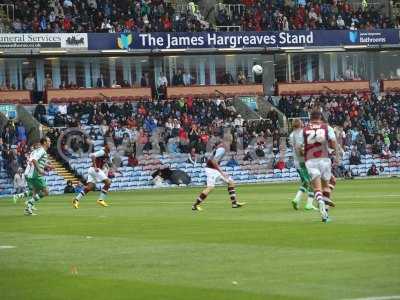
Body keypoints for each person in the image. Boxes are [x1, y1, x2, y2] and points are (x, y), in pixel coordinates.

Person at [303, 111, 337, 223]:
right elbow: (333, 143)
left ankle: (321, 206)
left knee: (317, 188)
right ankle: (325, 211)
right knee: (326, 186)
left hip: (310, 160)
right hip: (324, 159)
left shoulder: (304, 129)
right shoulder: (327, 127)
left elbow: (300, 147)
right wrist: (333, 152)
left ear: (310, 118)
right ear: (320, 117)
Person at [192, 141, 245, 211]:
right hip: (211, 170)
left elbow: (213, 161)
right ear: (220, 145)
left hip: (212, 169)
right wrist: (222, 173)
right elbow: (214, 162)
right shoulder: (221, 150)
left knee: (231, 182)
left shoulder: (218, 150)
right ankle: (195, 205)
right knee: (210, 188)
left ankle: (234, 203)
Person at [13, 138, 52, 216]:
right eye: (49, 141)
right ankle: (29, 204)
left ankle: (29, 207)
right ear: (44, 142)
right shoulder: (41, 151)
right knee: (46, 192)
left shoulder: (38, 151)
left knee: (35, 192)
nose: (50, 142)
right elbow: (34, 160)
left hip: (32, 173)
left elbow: (33, 160)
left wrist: (47, 165)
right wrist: (40, 170)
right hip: (36, 174)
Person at [72, 143, 112, 208]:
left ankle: (76, 200)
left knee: (89, 187)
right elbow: (93, 155)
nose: (111, 147)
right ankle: (101, 199)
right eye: (109, 146)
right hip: (94, 169)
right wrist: (96, 167)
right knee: (108, 182)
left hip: (92, 170)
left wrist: (106, 165)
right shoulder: (102, 151)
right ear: (106, 146)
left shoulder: (107, 154)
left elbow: (104, 162)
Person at [288, 119, 316, 211]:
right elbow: (301, 148)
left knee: (305, 182)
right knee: (312, 182)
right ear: (300, 124)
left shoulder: (291, 135)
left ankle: (296, 199)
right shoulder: (301, 134)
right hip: (303, 161)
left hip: (296, 162)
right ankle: (309, 204)